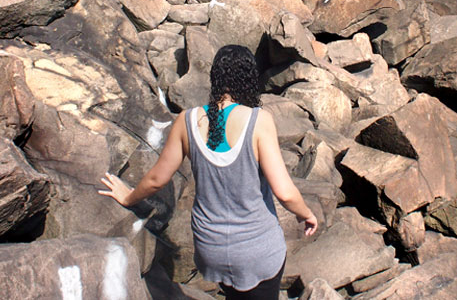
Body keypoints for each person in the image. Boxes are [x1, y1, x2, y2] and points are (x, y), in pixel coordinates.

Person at [98, 45, 318, 299]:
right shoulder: (259, 121)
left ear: (215, 78)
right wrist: (307, 213)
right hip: (256, 250)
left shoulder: (187, 121)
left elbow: (157, 179)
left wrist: (128, 197)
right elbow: (285, 193)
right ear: (249, 79)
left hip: (210, 248)